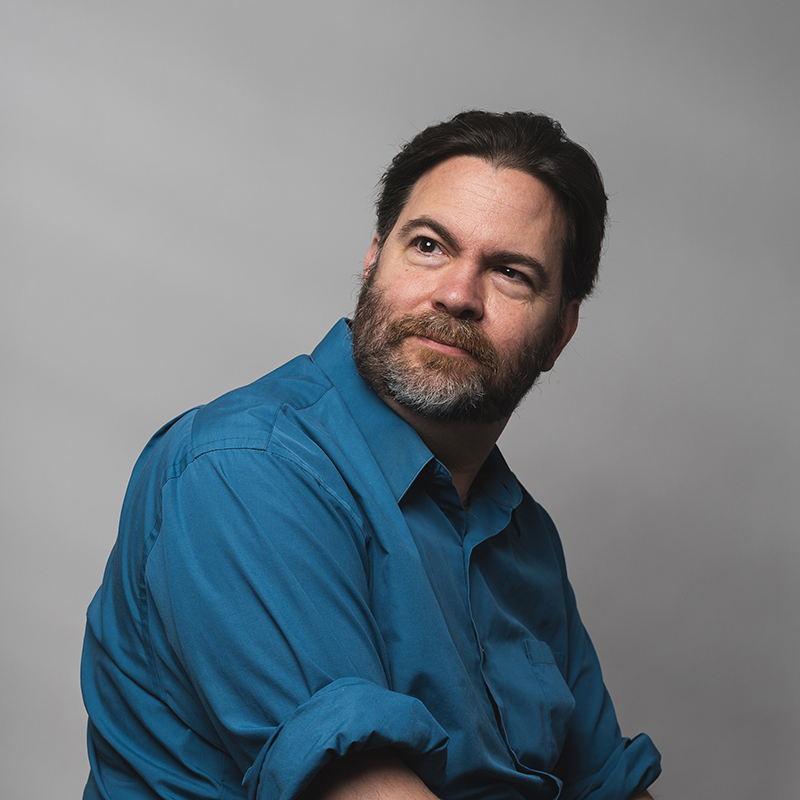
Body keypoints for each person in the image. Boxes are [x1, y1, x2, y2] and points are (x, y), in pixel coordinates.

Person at [81, 110, 661, 800]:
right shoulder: (242, 469)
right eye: (428, 246)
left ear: (560, 331)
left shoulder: (522, 533)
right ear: (374, 254)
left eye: (510, 272)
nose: (456, 294)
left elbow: (607, 787)